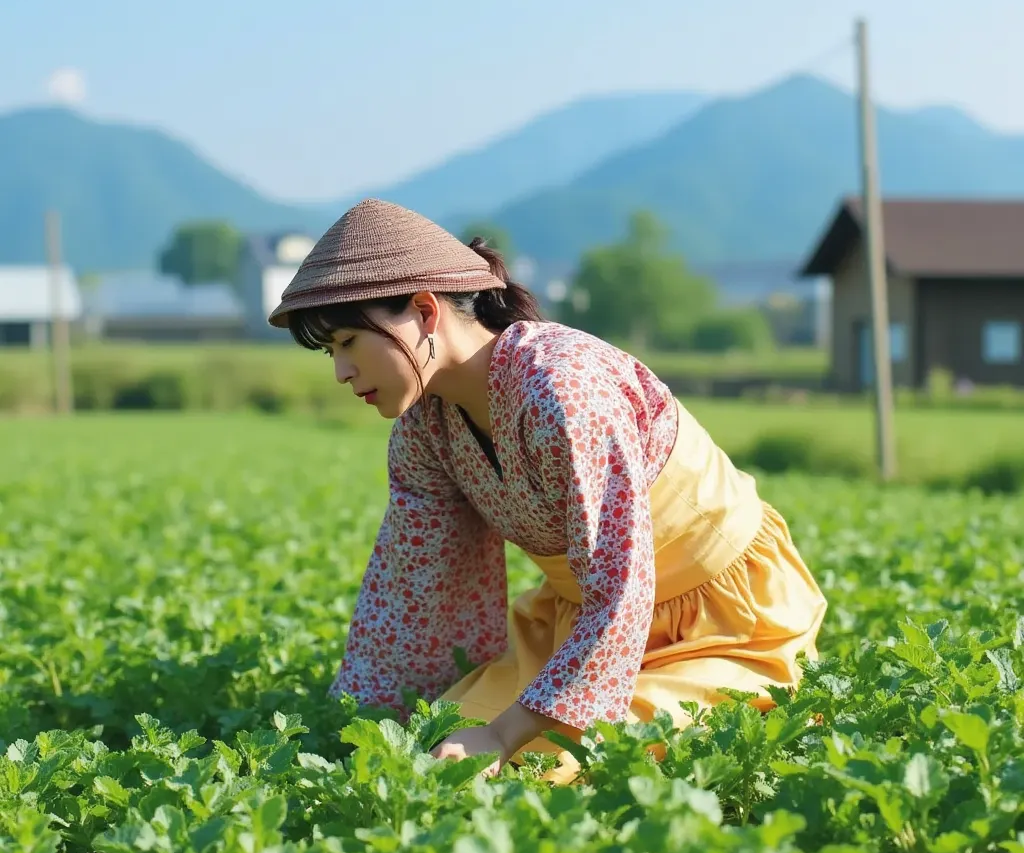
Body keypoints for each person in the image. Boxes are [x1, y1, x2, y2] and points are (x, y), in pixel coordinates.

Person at [269, 198, 827, 782]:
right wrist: (365, 723)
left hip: (722, 624)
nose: (341, 372)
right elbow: (416, 584)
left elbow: (621, 584)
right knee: (426, 747)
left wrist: (504, 733)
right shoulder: (424, 428)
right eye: (331, 352)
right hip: (579, 628)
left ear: (424, 311)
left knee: (548, 768)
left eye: (350, 341)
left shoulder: (563, 387)